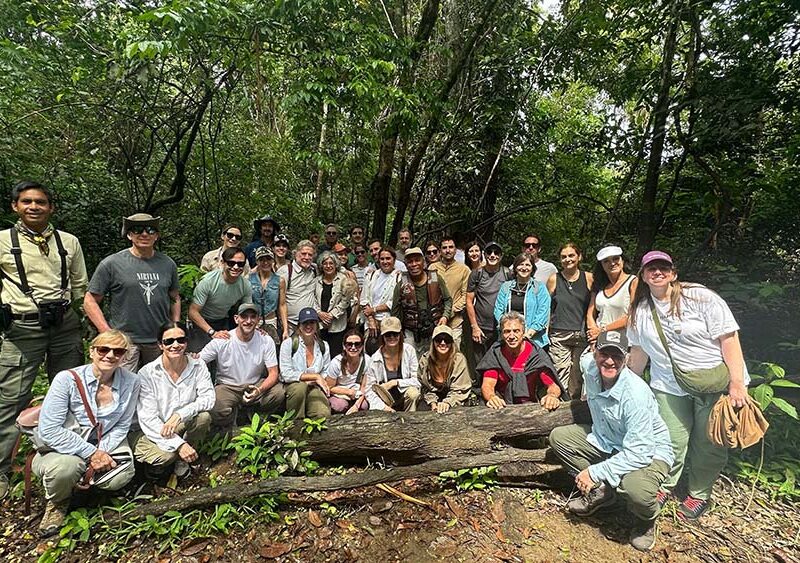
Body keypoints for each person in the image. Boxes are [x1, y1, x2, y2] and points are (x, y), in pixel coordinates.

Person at [627, 250, 749, 520]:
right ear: (643, 275)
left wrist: (737, 383)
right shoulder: (640, 310)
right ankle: (664, 484)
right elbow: (638, 352)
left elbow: (729, 339)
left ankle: (699, 493)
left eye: (663, 268)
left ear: (673, 273)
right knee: (669, 440)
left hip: (713, 382)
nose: (657, 272)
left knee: (709, 442)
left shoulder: (701, 298)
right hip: (668, 385)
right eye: (651, 269)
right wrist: (630, 386)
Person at [0, 181, 89, 500]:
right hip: (22, 328)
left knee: (70, 393)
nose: (34, 207)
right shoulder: (3, 242)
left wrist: (87, 325)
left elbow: (81, 287)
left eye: (40, 202)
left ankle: (63, 455)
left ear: (51, 206)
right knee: (12, 397)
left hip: (64, 324)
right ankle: (2, 469)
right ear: (15, 206)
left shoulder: (68, 242)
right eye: (27, 201)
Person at [549, 330, 674, 552]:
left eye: (616, 356)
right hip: (608, 440)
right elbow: (586, 361)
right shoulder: (589, 365)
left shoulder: (635, 394)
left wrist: (594, 471)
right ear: (595, 352)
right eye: (604, 353)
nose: (609, 361)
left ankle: (646, 519)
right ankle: (604, 493)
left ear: (625, 358)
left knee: (636, 489)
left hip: (649, 452)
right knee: (560, 438)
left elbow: (640, 452)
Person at [32, 330, 139, 536]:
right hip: (63, 445)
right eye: (103, 349)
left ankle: (90, 490)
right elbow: (50, 429)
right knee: (66, 468)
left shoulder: (131, 382)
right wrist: (92, 454)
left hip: (106, 441)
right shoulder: (67, 379)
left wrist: (102, 452)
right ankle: (58, 502)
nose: (110, 355)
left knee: (123, 472)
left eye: (118, 351)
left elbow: (122, 425)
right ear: (91, 351)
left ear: (124, 356)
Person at [85, 213, 181, 370]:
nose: (144, 234)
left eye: (150, 230)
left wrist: (175, 326)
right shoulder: (112, 263)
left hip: (159, 340)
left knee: (157, 385)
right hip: (126, 341)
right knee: (121, 386)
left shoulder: (167, 264)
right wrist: (107, 332)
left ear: (156, 236)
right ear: (129, 234)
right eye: (137, 230)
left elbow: (175, 296)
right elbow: (90, 300)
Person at [132, 322, 214, 478]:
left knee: (203, 417)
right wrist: (179, 445)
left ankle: (182, 460)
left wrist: (180, 415)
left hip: (180, 423)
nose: (175, 345)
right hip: (155, 429)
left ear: (186, 342)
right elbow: (148, 419)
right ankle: (158, 468)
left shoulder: (198, 365)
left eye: (180, 340)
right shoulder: (147, 373)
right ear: (160, 345)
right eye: (169, 341)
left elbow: (209, 398)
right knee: (165, 456)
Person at [199, 303, 284, 433]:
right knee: (214, 405)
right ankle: (229, 424)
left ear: (258, 320)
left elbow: (273, 373)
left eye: (252, 317)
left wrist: (259, 390)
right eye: (244, 316)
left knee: (278, 393)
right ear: (236, 319)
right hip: (228, 386)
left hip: (254, 384)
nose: (248, 321)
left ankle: (256, 414)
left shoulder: (265, 340)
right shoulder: (223, 339)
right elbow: (198, 362)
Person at [477, 312, 563, 409]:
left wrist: (552, 396)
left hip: (531, 406)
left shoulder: (536, 355)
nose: (512, 336)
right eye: (507, 331)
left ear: (523, 332)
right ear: (501, 334)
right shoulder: (496, 354)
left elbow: (553, 386)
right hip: (502, 405)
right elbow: (487, 385)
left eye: (516, 331)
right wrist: (492, 397)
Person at [546, 243, 594, 398]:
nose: (568, 259)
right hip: (560, 332)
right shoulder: (554, 279)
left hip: (582, 333)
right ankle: (559, 402)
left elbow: (594, 306)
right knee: (559, 370)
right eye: (564, 257)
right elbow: (548, 307)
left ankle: (574, 405)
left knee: (578, 373)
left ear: (579, 256)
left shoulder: (588, 278)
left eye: (571, 255)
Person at [188, 247, 252, 351]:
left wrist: (255, 328)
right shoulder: (208, 281)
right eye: (231, 263)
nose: (236, 267)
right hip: (202, 322)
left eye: (240, 264)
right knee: (200, 357)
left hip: (223, 320)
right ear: (222, 263)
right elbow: (193, 311)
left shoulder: (245, 285)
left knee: (225, 354)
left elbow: (247, 310)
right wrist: (212, 332)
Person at [391, 247, 453, 355]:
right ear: (405, 264)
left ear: (423, 262)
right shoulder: (401, 284)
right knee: (411, 363)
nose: (414, 264)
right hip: (411, 331)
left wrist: (445, 316)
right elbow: (395, 312)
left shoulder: (435, 278)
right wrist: (397, 332)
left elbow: (448, 300)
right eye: (410, 262)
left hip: (434, 327)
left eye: (417, 260)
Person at [466, 242, 512, 376]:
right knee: (480, 361)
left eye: (496, 252)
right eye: (489, 252)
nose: (492, 255)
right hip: (481, 326)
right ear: (484, 255)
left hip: (501, 326)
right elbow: (469, 300)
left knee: (500, 360)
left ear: (501, 256)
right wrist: (474, 326)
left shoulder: (507, 273)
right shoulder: (477, 274)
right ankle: (480, 390)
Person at [279, 307, 332, 419]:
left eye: (312, 322)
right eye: (305, 323)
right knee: (300, 389)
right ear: (299, 326)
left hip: (314, 386)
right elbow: (286, 373)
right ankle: (294, 427)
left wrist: (316, 379)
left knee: (323, 414)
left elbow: (326, 371)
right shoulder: (289, 344)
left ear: (317, 325)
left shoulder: (324, 346)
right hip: (294, 386)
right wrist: (314, 377)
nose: (308, 326)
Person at [494, 253, 551, 349]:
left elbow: (543, 311)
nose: (524, 268)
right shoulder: (506, 287)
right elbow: (498, 310)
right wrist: (506, 329)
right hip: (510, 339)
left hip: (534, 339)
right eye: (521, 264)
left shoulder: (539, 287)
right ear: (515, 267)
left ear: (532, 268)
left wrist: (529, 334)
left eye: (528, 265)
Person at [363, 317, 420, 411]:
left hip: (404, 396)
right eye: (388, 335)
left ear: (400, 334)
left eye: (395, 334)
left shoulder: (409, 351)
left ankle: (410, 418)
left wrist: (395, 382)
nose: (392, 337)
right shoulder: (375, 358)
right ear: (383, 336)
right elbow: (369, 389)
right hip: (384, 400)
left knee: (413, 393)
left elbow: (417, 381)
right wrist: (383, 407)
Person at [587, 244, 637, 343]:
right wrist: (593, 334)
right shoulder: (599, 285)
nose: (612, 263)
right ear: (601, 265)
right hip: (600, 340)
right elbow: (590, 313)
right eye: (606, 261)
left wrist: (602, 330)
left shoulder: (633, 282)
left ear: (623, 260)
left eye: (615, 259)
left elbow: (633, 316)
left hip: (625, 341)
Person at [418, 325, 472, 413]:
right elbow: (424, 387)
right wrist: (433, 402)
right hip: (431, 398)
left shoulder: (459, 360)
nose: (443, 343)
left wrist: (447, 402)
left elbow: (460, 389)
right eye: (439, 339)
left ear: (452, 342)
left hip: (456, 397)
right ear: (433, 342)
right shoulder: (425, 360)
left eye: (447, 340)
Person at [430, 235, 471, 349]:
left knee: (454, 355)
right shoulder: (433, 268)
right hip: (435, 321)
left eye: (451, 247)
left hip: (455, 321)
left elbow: (465, 295)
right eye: (444, 248)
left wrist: (448, 313)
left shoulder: (464, 269)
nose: (448, 250)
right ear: (440, 251)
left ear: (455, 249)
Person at [361, 247, 403, 354]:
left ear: (394, 260)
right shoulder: (371, 276)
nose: (385, 262)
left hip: (389, 322)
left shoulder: (399, 277)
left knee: (389, 353)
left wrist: (374, 309)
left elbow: (394, 302)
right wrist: (371, 320)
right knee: (370, 352)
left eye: (388, 258)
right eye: (382, 259)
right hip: (371, 323)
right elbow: (364, 299)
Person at [315, 251, 354, 357]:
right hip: (320, 325)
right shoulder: (316, 281)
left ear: (336, 264)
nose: (328, 266)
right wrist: (319, 313)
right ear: (321, 265)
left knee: (336, 356)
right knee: (320, 354)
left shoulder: (344, 279)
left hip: (337, 325)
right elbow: (312, 299)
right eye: (325, 263)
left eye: (331, 263)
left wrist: (330, 315)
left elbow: (346, 301)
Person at [276, 239, 317, 334]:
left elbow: (332, 266)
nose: (306, 257)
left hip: (310, 322)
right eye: (303, 254)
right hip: (290, 324)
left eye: (310, 255)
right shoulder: (285, 271)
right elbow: (279, 301)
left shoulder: (314, 270)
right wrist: (284, 326)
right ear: (295, 254)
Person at [248, 246, 287, 346]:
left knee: (271, 350)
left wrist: (285, 329)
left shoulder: (280, 281)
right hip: (254, 320)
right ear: (257, 261)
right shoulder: (249, 279)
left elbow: (282, 305)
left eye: (268, 259)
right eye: (262, 260)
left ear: (273, 260)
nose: (265, 263)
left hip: (271, 320)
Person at [325, 329, 370, 414]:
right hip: (339, 393)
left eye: (357, 344)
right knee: (340, 406)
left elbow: (364, 387)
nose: (353, 348)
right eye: (349, 344)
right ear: (344, 346)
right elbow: (329, 387)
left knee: (363, 406)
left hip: (358, 394)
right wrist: (349, 392)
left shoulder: (367, 361)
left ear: (362, 346)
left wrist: (356, 405)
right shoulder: (336, 362)